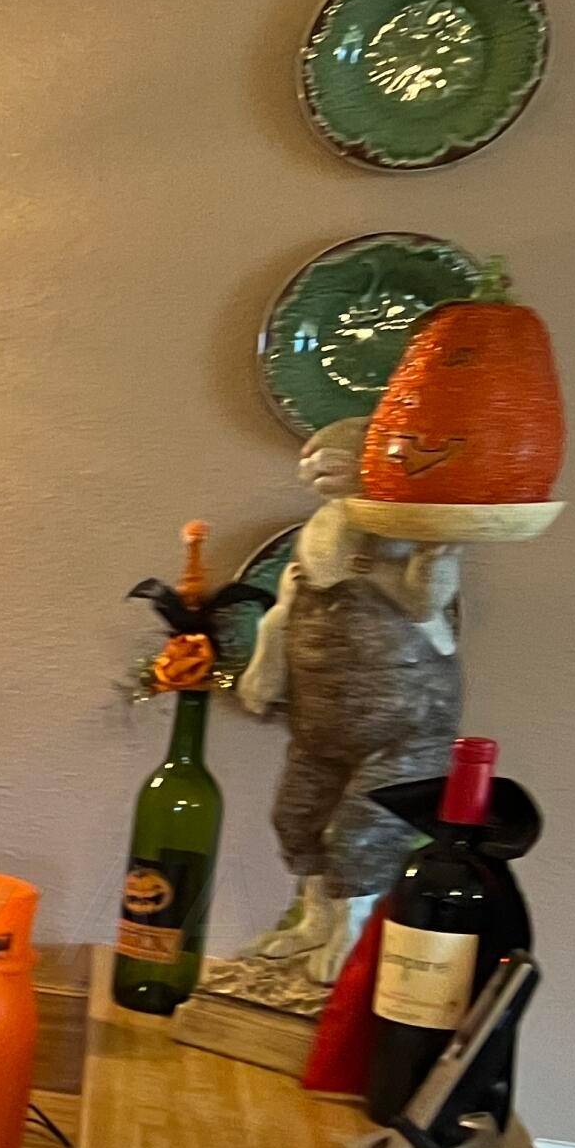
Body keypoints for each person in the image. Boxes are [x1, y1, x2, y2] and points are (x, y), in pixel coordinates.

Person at [224, 418, 462, 991]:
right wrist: (265, 662)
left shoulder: (409, 533)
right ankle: (315, 920)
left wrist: (437, 551)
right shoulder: (321, 531)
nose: (315, 461)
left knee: (360, 835)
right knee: (295, 819)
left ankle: (351, 932)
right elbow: (287, 603)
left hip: (403, 728)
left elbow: (427, 600)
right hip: (319, 725)